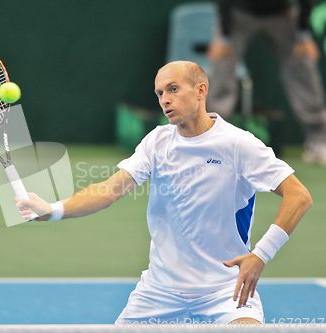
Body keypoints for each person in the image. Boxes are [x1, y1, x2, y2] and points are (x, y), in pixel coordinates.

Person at [17, 61, 313, 324]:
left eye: (173, 89)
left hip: (225, 292)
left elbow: (299, 196)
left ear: (200, 90)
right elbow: (109, 190)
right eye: (160, 94)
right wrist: (53, 210)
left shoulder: (238, 144)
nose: (165, 100)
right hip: (159, 292)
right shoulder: (157, 142)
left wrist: (260, 255)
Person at [207, 0, 326, 166]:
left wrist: (303, 35)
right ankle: (211, 141)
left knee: (302, 66)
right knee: (222, 66)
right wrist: (225, 38)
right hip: (238, 14)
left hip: (283, 14)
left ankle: (319, 141)